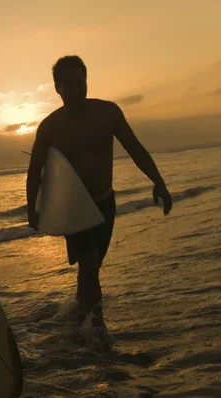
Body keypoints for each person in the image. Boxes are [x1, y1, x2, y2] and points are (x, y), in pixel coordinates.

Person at [26, 55, 173, 329]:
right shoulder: (50, 127)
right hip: (75, 208)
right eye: (68, 85)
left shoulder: (108, 113)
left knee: (90, 271)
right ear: (57, 88)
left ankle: (78, 319)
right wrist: (31, 210)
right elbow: (35, 170)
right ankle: (98, 332)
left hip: (105, 202)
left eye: (80, 83)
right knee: (91, 267)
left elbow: (135, 148)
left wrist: (159, 182)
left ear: (86, 82)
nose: (75, 90)